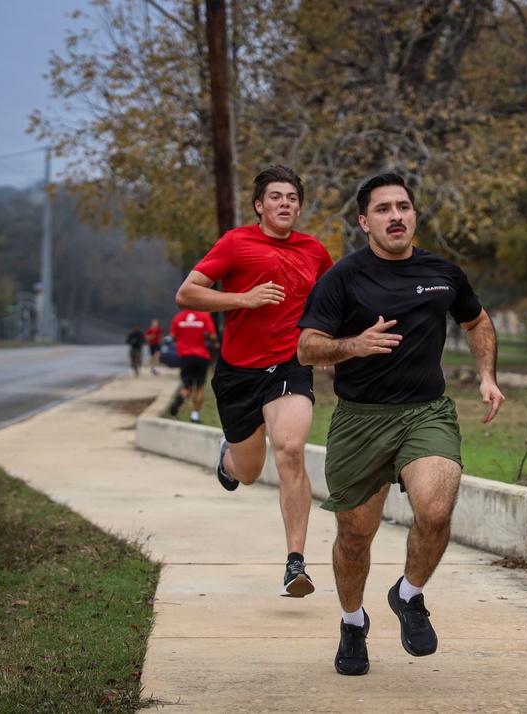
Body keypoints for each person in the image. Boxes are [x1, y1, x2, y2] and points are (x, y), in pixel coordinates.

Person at [296, 172, 505, 676]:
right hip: (360, 420)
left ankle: (408, 595)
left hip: (424, 412)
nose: (396, 215)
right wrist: (352, 345)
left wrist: (487, 376)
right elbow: (306, 347)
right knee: (354, 537)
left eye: (404, 206)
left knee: (435, 510)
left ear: (414, 215)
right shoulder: (344, 277)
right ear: (365, 222)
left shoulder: (443, 273)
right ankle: (352, 623)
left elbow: (475, 321)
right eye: (384, 209)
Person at [175, 165, 334, 598]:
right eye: (277, 197)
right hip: (238, 373)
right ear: (259, 206)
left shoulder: (314, 251)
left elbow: (336, 301)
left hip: (290, 365)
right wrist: (242, 298)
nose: (286, 203)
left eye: (293, 198)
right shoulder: (235, 243)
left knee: (291, 451)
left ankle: (295, 563)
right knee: (248, 472)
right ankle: (228, 457)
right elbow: (187, 293)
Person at [168, 309, 218, 423]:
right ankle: (194, 416)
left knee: (188, 388)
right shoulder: (204, 316)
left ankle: (181, 397)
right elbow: (213, 336)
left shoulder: (178, 317)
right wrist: (214, 344)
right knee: (200, 388)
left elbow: (172, 335)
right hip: (201, 356)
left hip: (185, 356)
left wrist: (182, 341)